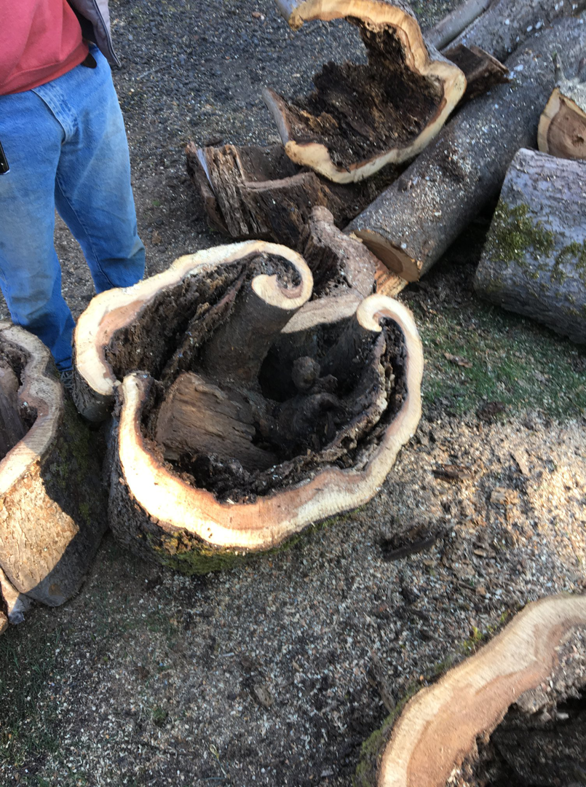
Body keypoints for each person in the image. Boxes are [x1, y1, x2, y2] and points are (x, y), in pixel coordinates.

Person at [0, 0, 145, 383]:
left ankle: (136, 345)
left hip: (82, 71)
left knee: (121, 245)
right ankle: (63, 380)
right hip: (5, 116)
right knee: (31, 285)